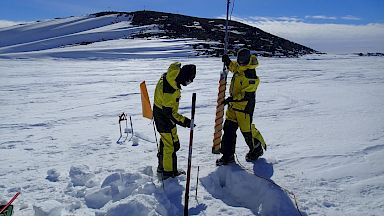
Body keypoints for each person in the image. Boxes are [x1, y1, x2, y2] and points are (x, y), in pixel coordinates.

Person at [216, 48, 266, 166]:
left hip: (244, 108)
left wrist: (231, 99)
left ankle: (257, 148)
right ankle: (227, 156)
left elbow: (246, 95)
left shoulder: (251, 75)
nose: (241, 63)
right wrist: (228, 62)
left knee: (247, 132)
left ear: (248, 59)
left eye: (243, 61)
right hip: (233, 107)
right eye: (239, 60)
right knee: (228, 130)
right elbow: (235, 68)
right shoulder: (240, 67)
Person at [153, 62, 196, 178]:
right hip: (163, 118)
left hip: (162, 114)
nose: (189, 83)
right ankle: (168, 173)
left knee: (172, 143)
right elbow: (170, 114)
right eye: (189, 80)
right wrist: (186, 122)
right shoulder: (170, 90)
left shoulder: (171, 76)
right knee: (170, 146)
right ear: (184, 77)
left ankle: (162, 166)